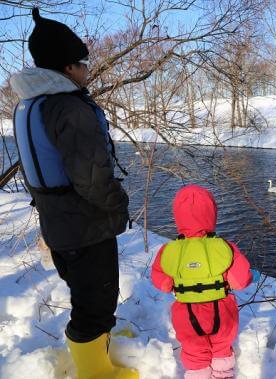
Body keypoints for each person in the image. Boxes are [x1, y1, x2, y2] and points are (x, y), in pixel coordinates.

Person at [10, 8, 137, 379]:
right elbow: (92, 178)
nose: (86, 70)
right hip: (86, 225)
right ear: (67, 68)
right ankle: (96, 372)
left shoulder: (28, 105)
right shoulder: (69, 107)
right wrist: (119, 203)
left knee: (90, 294)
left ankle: (101, 344)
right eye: (82, 62)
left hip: (59, 223)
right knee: (93, 303)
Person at [151, 185, 254, 379]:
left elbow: (162, 284)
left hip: (187, 315)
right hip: (221, 312)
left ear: (178, 216)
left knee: (194, 353)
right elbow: (240, 281)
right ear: (211, 214)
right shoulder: (224, 247)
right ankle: (223, 375)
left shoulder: (169, 250)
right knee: (222, 348)